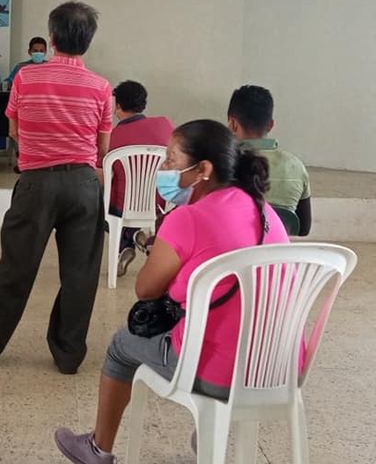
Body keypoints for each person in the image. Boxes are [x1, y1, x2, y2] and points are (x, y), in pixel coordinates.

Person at [53, 119, 289, 464]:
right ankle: (206, 438)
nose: (162, 169)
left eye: (171, 160)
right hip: (278, 364)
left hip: (220, 369)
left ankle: (97, 448)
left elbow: (146, 289)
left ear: (203, 169)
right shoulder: (263, 209)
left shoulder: (187, 218)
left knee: (120, 346)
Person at [0, 1, 112, 374]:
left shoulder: (25, 78)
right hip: (83, 184)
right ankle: (68, 356)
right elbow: (102, 148)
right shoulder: (101, 87)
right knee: (80, 274)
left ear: (51, 38)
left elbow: (13, 130)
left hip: (35, 183)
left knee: (15, 268)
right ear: (89, 41)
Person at [101, 80, 175, 275]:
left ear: (117, 105)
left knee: (94, 205)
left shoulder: (112, 137)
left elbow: (103, 176)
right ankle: (135, 236)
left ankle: (130, 237)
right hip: (159, 203)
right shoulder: (165, 125)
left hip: (121, 207)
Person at [228, 85, 312, 236]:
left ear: (233, 124)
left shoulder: (224, 162)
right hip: (277, 248)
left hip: (235, 247)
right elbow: (304, 228)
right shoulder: (296, 165)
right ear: (271, 125)